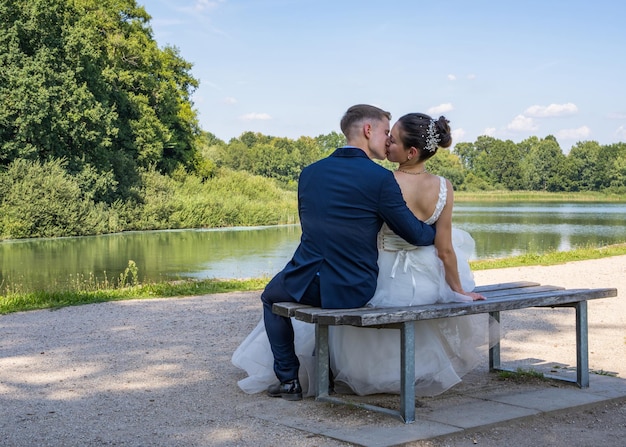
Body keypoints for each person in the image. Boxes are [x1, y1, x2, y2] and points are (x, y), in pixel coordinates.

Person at [231, 104, 436, 401]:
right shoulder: (380, 179)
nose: (388, 140)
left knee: (270, 297)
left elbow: (313, 230)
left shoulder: (310, 173)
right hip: (354, 286)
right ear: (368, 130)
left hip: (304, 279)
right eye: (384, 132)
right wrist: (439, 227)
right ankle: (322, 371)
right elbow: (414, 234)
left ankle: (288, 380)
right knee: (304, 301)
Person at [329, 112, 493, 397]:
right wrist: (457, 289)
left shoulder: (381, 180)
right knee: (415, 303)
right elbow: (445, 249)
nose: (387, 143)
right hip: (426, 279)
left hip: (381, 271)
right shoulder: (443, 186)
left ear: (411, 151)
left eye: (392, 140)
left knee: (369, 301)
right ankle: (416, 371)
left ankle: (371, 374)